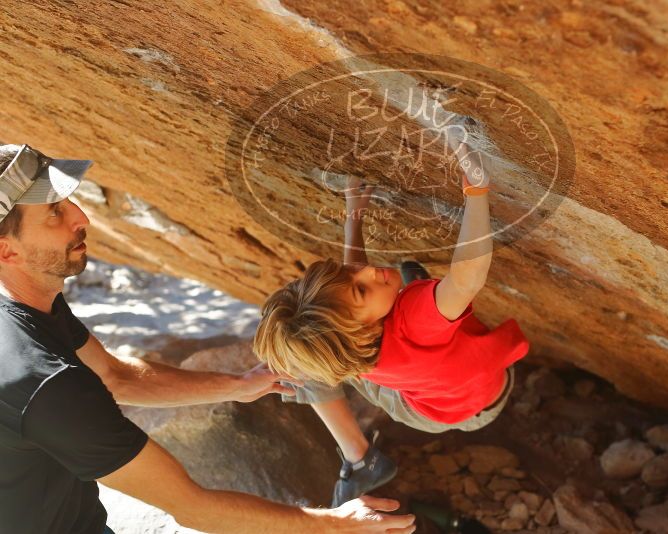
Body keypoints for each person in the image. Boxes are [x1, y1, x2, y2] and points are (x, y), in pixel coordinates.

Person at [0, 143, 416, 534]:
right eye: (54, 212)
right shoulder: (45, 383)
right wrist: (337, 523)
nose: (81, 217)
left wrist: (239, 385)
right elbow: (192, 505)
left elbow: (114, 376)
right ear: (7, 252)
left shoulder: (29, 307)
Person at [254, 121, 530, 507]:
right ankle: (359, 457)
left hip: (445, 395)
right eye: (362, 286)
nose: (367, 270)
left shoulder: (354, 342)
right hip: (454, 406)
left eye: (351, 274)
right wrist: (476, 189)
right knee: (306, 351)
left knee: (308, 350)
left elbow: (352, 303)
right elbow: (467, 277)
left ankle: (358, 456)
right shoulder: (413, 320)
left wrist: (355, 217)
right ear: (363, 325)